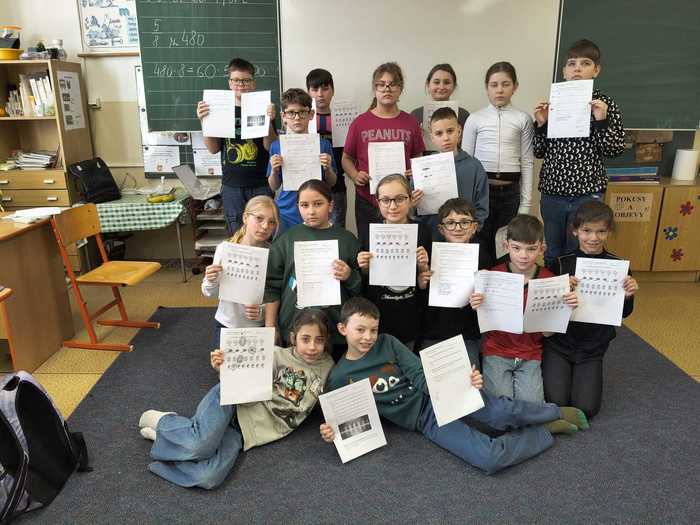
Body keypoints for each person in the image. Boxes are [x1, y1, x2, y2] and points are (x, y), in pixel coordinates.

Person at [319, 297, 589, 476]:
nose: (368, 337)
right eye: (360, 330)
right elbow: (348, 419)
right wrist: (334, 432)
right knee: (489, 459)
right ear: (342, 329)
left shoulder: (387, 342)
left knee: (500, 413)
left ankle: (554, 411)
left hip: (440, 393)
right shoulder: (340, 377)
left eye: (373, 330)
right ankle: (543, 431)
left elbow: (419, 373)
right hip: (424, 418)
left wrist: (459, 386)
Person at [138, 308, 334, 489]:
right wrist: (221, 369)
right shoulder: (275, 354)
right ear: (293, 338)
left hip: (244, 432)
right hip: (230, 404)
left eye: (319, 340)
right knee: (200, 447)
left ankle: (169, 441)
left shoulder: (328, 368)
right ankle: (165, 421)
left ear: (326, 341)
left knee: (208, 478)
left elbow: (331, 404)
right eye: (305, 339)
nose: (312, 347)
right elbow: (238, 381)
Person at [533, 39, 625, 269]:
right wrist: (542, 124)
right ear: (564, 71)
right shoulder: (554, 103)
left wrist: (601, 120)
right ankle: (553, 289)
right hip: (553, 192)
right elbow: (539, 151)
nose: (577, 69)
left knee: (581, 252)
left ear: (596, 70)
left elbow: (614, 150)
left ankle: (577, 291)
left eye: (585, 63)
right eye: (572, 64)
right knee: (553, 251)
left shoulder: (605, 104)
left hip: (587, 193)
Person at [542, 200, 638, 418]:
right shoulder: (560, 263)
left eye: (601, 231)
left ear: (609, 232)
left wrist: (628, 296)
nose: (593, 238)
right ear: (575, 231)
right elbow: (544, 311)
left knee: (587, 408)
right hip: (559, 343)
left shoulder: (618, 266)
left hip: (593, 348)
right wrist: (560, 291)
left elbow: (624, 313)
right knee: (556, 401)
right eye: (587, 231)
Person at [470, 215, 578, 403]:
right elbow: (483, 320)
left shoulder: (549, 280)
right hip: (497, 351)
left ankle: (543, 412)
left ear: (542, 249)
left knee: (531, 405)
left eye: (531, 249)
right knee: (501, 405)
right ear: (506, 247)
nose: (523, 255)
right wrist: (476, 304)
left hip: (530, 353)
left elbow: (548, 333)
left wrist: (565, 309)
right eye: (516, 248)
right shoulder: (492, 276)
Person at [264, 179, 361, 360]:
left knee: (333, 373)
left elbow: (360, 288)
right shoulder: (287, 239)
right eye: (304, 205)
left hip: (335, 327)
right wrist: (271, 326)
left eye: (318, 204)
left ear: (330, 205)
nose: (311, 211)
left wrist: (349, 275)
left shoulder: (347, 240)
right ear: (297, 207)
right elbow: (271, 286)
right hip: (295, 325)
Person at [342, 62, 425, 246]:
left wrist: (415, 172)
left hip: (400, 202)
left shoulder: (410, 122)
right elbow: (346, 158)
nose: (387, 88)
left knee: (400, 248)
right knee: (369, 249)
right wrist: (355, 175)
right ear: (374, 89)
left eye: (392, 84)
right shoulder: (360, 123)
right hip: (368, 199)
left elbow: (418, 157)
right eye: (381, 84)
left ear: (401, 89)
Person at [462, 62, 534, 267]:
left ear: (515, 87)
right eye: (494, 85)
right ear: (487, 88)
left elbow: (527, 162)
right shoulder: (475, 119)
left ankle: (503, 284)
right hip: (481, 192)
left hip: (510, 193)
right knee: (480, 245)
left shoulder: (523, 118)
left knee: (505, 247)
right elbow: (467, 162)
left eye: (505, 84)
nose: (500, 90)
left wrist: (526, 204)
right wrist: (466, 201)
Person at [196, 58, 278, 235]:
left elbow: (270, 146)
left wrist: (269, 121)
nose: (241, 85)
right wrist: (204, 121)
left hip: (261, 183)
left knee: (263, 234)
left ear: (253, 83)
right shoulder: (217, 109)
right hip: (232, 185)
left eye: (246, 80)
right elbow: (213, 148)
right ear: (230, 83)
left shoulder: (264, 107)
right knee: (236, 236)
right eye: (236, 80)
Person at [356, 174, 431, 349]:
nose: (393, 206)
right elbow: (365, 278)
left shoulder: (422, 231)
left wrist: (423, 266)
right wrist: (364, 266)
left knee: (405, 358)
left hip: (409, 314)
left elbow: (425, 282)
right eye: (386, 200)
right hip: (377, 314)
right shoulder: (369, 231)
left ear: (410, 199)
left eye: (400, 199)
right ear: (378, 202)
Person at [201, 196, 280, 347]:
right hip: (227, 324)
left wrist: (262, 312)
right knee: (220, 362)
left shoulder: (273, 254)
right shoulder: (225, 249)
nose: (265, 226)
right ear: (245, 217)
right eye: (259, 219)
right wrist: (211, 280)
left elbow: (275, 294)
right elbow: (209, 293)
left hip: (257, 326)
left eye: (272, 222)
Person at [417, 198, 483, 368]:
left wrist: (482, 299)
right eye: (451, 223)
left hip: (467, 335)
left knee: (469, 381)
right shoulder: (431, 255)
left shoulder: (483, 257)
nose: (458, 228)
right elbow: (419, 302)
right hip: (433, 334)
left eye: (464, 222)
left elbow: (487, 301)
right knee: (430, 381)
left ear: (474, 227)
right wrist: (422, 283)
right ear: (441, 229)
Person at [267, 88, 337, 233]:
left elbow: (332, 182)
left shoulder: (323, 145)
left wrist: (328, 168)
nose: (297, 117)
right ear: (283, 116)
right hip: (286, 211)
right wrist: (274, 171)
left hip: (316, 209)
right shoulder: (276, 146)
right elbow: (274, 186)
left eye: (302, 112)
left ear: (311, 114)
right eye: (291, 113)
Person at [419, 107, 489, 238]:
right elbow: (416, 209)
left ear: (459, 131)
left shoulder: (474, 166)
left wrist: (473, 230)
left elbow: (482, 205)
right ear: (432, 137)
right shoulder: (423, 167)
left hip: (465, 236)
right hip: (432, 234)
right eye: (439, 133)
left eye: (450, 131)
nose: (446, 138)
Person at [306, 68, 347, 228]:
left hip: (336, 186)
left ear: (333, 91)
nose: (320, 94)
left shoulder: (345, 118)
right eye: (314, 89)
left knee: (335, 230)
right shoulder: (302, 119)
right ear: (308, 92)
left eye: (325, 88)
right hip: (308, 184)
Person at [410, 63, 470, 151]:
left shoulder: (463, 115)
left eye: (447, 82)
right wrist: (416, 137)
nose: (441, 87)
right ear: (428, 85)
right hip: (425, 158)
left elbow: (467, 147)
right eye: (436, 82)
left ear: (454, 86)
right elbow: (410, 149)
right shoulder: (415, 115)